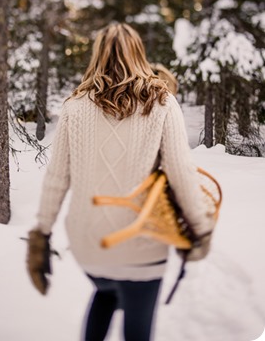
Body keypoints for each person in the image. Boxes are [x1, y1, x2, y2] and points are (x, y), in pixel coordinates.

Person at [27, 23, 214, 341]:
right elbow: (181, 171)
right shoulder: (163, 104)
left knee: (108, 292)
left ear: (97, 55)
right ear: (139, 54)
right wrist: (200, 227)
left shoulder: (74, 107)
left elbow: (57, 178)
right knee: (137, 326)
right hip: (141, 240)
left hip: (89, 244)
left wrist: (41, 234)